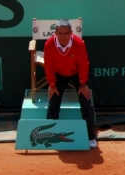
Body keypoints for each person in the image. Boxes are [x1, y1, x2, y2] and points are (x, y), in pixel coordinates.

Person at [44, 18, 97, 149]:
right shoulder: (49, 44)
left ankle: (90, 136)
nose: (63, 36)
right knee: (53, 100)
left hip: (77, 74)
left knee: (86, 101)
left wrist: (83, 84)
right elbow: (49, 66)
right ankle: (50, 135)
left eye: (66, 33)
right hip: (59, 74)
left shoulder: (79, 44)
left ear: (71, 33)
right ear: (55, 33)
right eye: (60, 33)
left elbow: (84, 65)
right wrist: (52, 85)